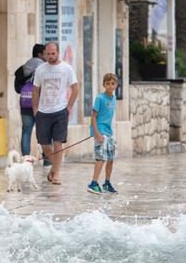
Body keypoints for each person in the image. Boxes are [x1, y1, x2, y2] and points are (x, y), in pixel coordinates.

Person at [32, 41, 79, 185]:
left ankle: (57, 173)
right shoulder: (40, 69)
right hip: (43, 111)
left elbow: (76, 88)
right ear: (45, 53)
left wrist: (69, 107)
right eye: (48, 54)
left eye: (53, 53)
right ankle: (55, 167)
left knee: (58, 142)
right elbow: (35, 90)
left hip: (60, 110)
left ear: (58, 52)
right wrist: (35, 109)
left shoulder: (66, 68)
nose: (51, 56)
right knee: (45, 145)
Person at [87, 73, 118, 195]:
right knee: (101, 158)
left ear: (116, 85)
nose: (110, 86)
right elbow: (93, 117)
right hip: (100, 131)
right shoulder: (100, 98)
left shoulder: (114, 98)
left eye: (113, 83)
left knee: (111, 158)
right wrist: (97, 133)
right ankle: (93, 183)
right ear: (104, 85)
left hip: (109, 132)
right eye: (108, 83)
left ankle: (107, 183)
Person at [14, 44, 46, 158]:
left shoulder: (24, 67)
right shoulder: (44, 67)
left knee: (26, 131)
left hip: (25, 103)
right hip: (40, 104)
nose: (47, 56)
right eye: (45, 53)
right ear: (39, 54)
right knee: (44, 132)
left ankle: (25, 158)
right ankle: (47, 160)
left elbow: (17, 88)